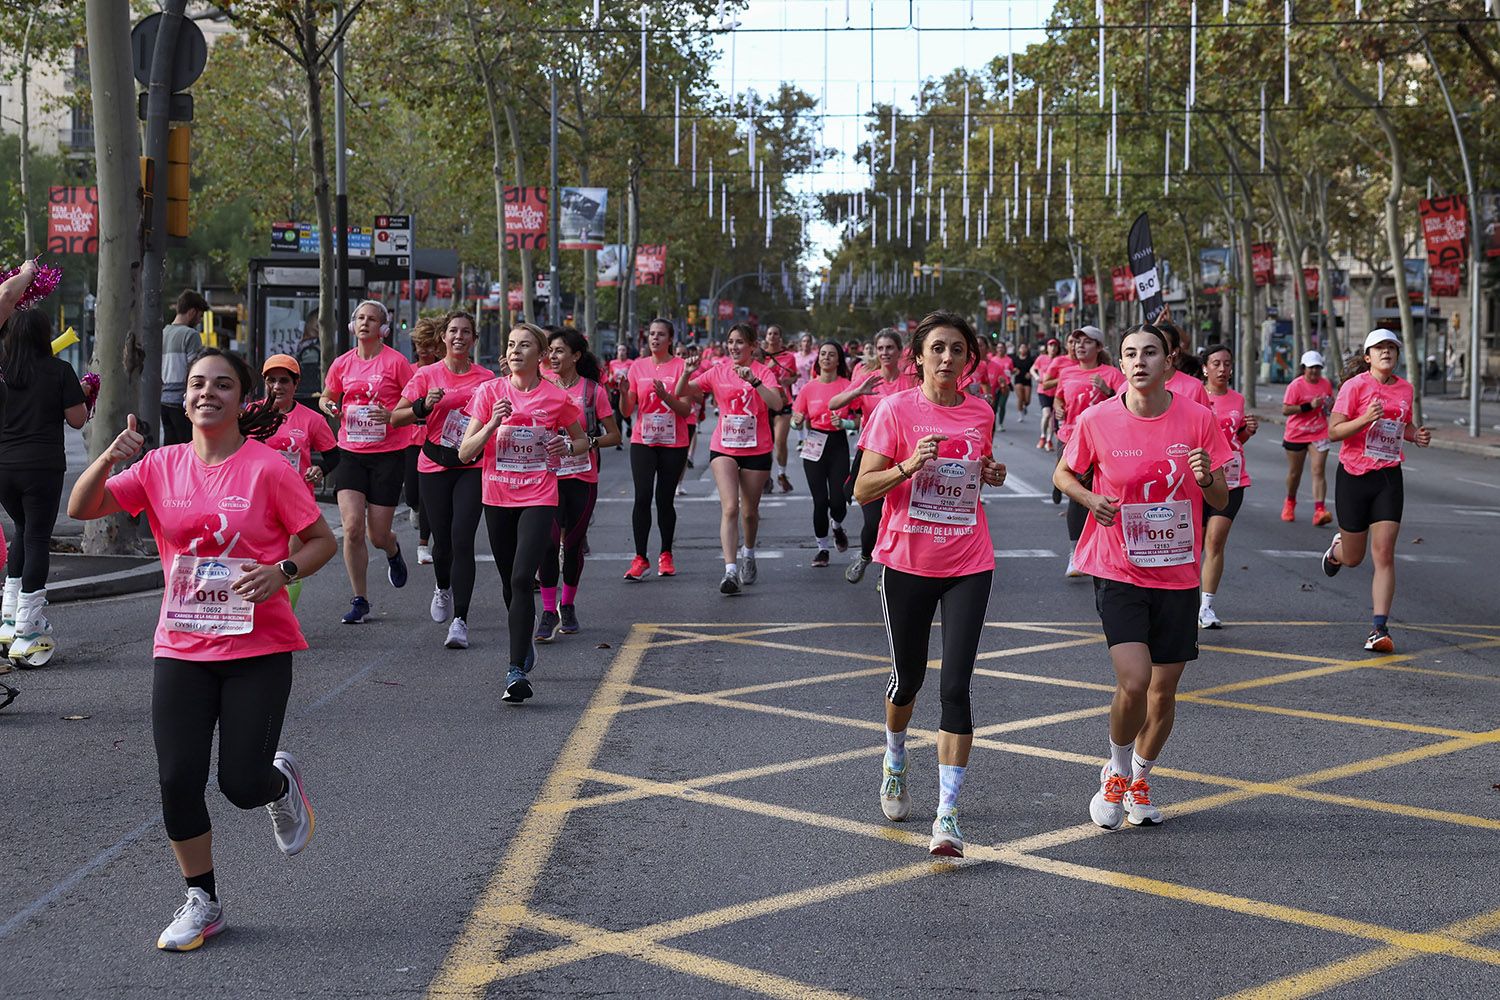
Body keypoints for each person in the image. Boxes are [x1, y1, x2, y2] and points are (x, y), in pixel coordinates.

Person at [67, 349, 337, 952]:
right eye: (196, 384)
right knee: (177, 780)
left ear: (242, 400)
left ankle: (277, 783)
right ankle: (202, 900)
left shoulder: (268, 469)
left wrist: (283, 570)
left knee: (240, 783)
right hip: (181, 645)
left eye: (221, 384)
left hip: (258, 647)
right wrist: (109, 457)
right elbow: (81, 507)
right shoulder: (160, 466)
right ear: (184, 398)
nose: (206, 393)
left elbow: (320, 539)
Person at [1054, 323, 1230, 830]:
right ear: (1121, 363)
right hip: (1119, 566)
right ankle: (1116, 768)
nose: (1139, 361)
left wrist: (1206, 477)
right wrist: (1090, 499)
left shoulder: (1198, 419)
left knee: (1164, 690)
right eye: (1130, 353)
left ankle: (1142, 776)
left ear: (1168, 361)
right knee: (1134, 681)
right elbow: (1063, 473)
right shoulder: (1098, 419)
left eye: (1149, 352)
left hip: (1177, 571)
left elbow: (1220, 498)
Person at [854, 310, 1007, 858]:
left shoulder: (980, 411)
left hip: (969, 558)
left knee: (956, 686)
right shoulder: (894, 410)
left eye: (957, 349)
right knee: (908, 680)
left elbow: (978, 471)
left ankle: (948, 816)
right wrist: (907, 466)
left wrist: (991, 473)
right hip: (907, 560)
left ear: (969, 359)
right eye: (937, 348)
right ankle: (895, 758)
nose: (947, 358)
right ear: (918, 357)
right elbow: (863, 489)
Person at [458, 323, 587, 702]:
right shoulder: (489, 393)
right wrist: (492, 424)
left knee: (520, 579)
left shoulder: (556, 397)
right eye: (511, 344)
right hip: (497, 496)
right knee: (508, 583)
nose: (515, 351)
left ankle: (515, 671)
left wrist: (566, 446)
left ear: (541, 355)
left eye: (525, 345)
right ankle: (523, 636)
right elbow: (465, 452)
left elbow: (581, 440)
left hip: (539, 496)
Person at [1321, 330, 1431, 654]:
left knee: (1384, 553)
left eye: (1391, 348)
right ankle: (1337, 552)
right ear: (1368, 357)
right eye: (1379, 348)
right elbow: (1334, 431)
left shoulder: (1405, 389)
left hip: (1388, 476)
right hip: (1354, 476)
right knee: (1354, 558)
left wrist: (1415, 435)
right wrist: (1365, 418)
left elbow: (1402, 425)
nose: (1386, 352)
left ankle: (1379, 629)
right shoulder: (1354, 387)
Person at [391, 311, 494, 650]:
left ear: (474, 340)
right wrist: (422, 406)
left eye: (466, 332)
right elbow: (396, 417)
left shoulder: (486, 378)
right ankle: (442, 587)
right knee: (443, 544)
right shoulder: (426, 374)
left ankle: (460, 621)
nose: (459, 336)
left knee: (463, 539)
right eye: (453, 331)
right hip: (434, 464)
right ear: (443, 338)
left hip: (471, 466)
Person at [0, 308, 88, 667]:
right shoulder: (59, 370)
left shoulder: (3, 372)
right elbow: (77, 419)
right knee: (36, 537)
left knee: (22, 531)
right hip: (42, 466)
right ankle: (28, 626)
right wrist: (84, 394)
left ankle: (8, 616)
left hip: (4, 467)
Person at [319, 300, 415, 624]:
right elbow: (327, 396)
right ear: (352, 325)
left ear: (383, 328)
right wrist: (330, 407)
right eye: (360, 318)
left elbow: (413, 403)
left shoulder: (397, 363)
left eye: (372, 319)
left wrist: (392, 415)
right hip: (350, 452)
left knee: (377, 535)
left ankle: (392, 549)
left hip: (388, 454)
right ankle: (360, 599)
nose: (365, 323)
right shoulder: (342, 363)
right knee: (352, 528)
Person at [678, 323, 784, 594]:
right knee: (730, 508)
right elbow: (682, 391)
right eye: (731, 342)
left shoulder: (763, 372)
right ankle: (730, 571)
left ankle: (748, 553)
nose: (734, 347)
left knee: (749, 512)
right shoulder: (718, 371)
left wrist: (754, 381)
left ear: (753, 346)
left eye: (740, 342)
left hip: (757, 449)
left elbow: (777, 404)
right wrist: (687, 372)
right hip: (724, 447)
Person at [534, 328, 621, 641]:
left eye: (559, 351)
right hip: (548, 478)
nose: (552, 356)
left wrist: (584, 443)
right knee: (548, 543)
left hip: (582, 476)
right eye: (550, 351)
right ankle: (547, 611)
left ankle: (567, 605)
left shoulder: (592, 392)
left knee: (572, 545)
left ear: (576, 356)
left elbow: (615, 435)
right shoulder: (541, 385)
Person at [261, 354, 339, 610]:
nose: (277, 386)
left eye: (284, 380)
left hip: (295, 500)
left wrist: (319, 469)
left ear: (295, 384)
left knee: (288, 563)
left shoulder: (311, 419)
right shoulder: (252, 414)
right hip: (258, 498)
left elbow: (333, 456)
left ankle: (284, 617)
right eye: (271, 380)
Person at [620, 318, 691, 580]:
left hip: (674, 442)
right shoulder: (637, 367)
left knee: (664, 499)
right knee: (642, 497)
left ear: (670, 339)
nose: (655, 338)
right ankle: (640, 558)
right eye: (651, 334)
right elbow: (627, 411)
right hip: (643, 440)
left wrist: (666, 397)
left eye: (661, 334)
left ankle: (666, 554)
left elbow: (686, 410)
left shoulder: (681, 366)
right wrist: (623, 394)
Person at [1053, 325, 1126, 579]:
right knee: (1077, 496)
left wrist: (1108, 391)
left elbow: (1127, 403)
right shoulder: (1066, 372)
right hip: (1070, 438)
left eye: (1086, 341)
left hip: (1104, 442)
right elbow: (1059, 397)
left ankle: (1108, 551)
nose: (1080, 346)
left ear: (1099, 346)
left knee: (1104, 495)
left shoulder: (1112, 374)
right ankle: (1075, 555)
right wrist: (1058, 407)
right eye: (1076, 342)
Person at [842, 329, 914, 584]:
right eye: (880, 348)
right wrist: (856, 391)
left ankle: (887, 572)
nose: (885, 353)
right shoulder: (868, 380)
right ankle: (865, 556)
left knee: (900, 519)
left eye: (890, 348)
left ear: (899, 351)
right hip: (871, 456)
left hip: (904, 457)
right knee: (873, 520)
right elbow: (834, 404)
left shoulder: (911, 381)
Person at [1198, 344, 1258, 629]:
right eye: (1216, 363)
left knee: (1215, 541)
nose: (1223, 369)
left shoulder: (1237, 399)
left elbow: (1234, 440)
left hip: (1233, 479)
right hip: (1199, 479)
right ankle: (1182, 600)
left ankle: (1206, 606)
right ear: (1204, 368)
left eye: (1227, 363)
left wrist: (1247, 431)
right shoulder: (1196, 398)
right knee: (1194, 544)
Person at [791, 341, 854, 567]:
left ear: (839, 360)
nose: (826, 358)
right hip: (814, 443)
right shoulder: (808, 388)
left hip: (838, 444)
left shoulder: (847, 386)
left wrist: (845, 423)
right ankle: (822, 549)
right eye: (823, 354)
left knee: (838, 500)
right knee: (819, 501)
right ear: (818, 359)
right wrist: (796, 422)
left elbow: (859, 419)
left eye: (831, 355)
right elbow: (795, 421)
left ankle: (837, 526)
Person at [1281, 350, 1335, 525]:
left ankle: (1319, 510)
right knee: (1295, 473)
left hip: (1319, 432)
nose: (1314, 371)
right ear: (1303, 368)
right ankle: (1290, 502)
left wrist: (1329, 405)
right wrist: (1309, 406)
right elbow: (1286, 409)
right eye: (1311, 368)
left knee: (1318, 470)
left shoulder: (1325, 384)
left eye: (1317, 368)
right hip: (1297, 433)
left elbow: (1329, 405)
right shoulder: (1295, 386)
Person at [405, 317, 442, 565]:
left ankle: (423, 545)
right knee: (412, 495)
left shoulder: (443, 371)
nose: (425, 350)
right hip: (409, 438)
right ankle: (415, 507)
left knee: (428, 496)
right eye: (420, 345)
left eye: (429, 345)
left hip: (435, 438)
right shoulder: (408, 370)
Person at [160, 290, 209, 447]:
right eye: (200, 316)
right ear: (192, 312)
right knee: (188, 448)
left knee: (170, 448)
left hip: (163, 401)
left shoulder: (163, 333)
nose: (199, 320)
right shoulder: (191, 335)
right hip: (182, 402)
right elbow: (195, 369)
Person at [760, 324, 799, 493]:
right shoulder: (760, 355)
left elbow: (794, 375)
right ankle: (765, 477)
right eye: (770, 333)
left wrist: (790, 381)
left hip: (784, 401)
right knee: (764, 444)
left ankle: (782, 474)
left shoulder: (788, 356)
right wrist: (766, 368)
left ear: (780, 337)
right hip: (764, 402)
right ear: (766, 337)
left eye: (776, 333)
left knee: (780, 441)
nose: (772, 336)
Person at [1033, 337, 1065, 451]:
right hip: (1043, 390)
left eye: (1055, 346)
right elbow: (1032, 369)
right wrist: (1036, 377)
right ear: (1047, 348)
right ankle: (1042, 436)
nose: (1053, 348)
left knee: (1052, 417)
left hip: (1056, 392)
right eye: (1051, 345)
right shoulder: (1041, 358)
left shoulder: (1060, 360)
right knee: (1046, 414)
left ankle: (1049, 440)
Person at [607, 342, 632, 446]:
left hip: (627, 392)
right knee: (618, 417)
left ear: (626, 352)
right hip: (616, 391)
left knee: (626, 415)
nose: (621, 352)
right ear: (617, 352)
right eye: (619, 350)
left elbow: (633, 378)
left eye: (623, 350)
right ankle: (619, 440)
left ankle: (629, 425)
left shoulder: (631, 363)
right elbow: (610, 377)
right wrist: (611, 379)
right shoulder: (612, 363)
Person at [1011, 340, 1035, 420]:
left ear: (1027, 349)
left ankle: (1025, 406)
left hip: (1027, 381)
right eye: (1021, 347)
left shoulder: (1030, 359)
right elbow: (1011, 369)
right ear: (1019, 349)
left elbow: (1035, 369)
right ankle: (1020, 414)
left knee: (1027, 401)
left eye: (1025, 347)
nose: (1023, 349)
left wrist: (1030, 374)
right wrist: (1014, 370)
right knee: (1020, 398)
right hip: (1018, 380)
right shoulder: (1015, 359)